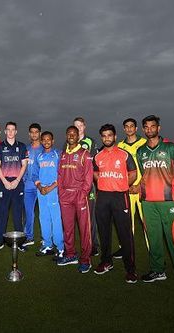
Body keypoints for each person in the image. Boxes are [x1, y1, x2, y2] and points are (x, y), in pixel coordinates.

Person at [137, 115, 174, 294]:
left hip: (168, 201)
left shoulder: (170, 148)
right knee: (153, 239)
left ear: (158, 128)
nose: (149, 130)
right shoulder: (141, 151)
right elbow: (142, 173)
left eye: (152, 126)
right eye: (146, 127)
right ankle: (157, 270)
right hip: (147, 201)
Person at [93, 124, 138, 282]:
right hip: (103, 197)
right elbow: (95, 173)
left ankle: (130, 269)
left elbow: (133, 173)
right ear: (101, 137)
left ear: (115, 136)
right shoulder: (98, 156)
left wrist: (123, 185)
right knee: (104, 232)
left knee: (125, 234)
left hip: (120, 197)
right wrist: (104, 183)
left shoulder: (124, 155)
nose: (107, 138)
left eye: (109, 135)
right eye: (104, 135)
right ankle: (106, 262)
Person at [57, 126, 94, 273]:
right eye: (69, 133)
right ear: (66, 135)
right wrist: (61, 192)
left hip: (79, 196)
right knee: (68, 229)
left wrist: (83, 193)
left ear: (78, 136)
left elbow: (89, 176)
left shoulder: (85, 153)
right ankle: (70, 254)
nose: (71, 136)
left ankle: (86, 260)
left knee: (85, 230)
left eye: (74, 134)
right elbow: (59, 175)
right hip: (65, 196)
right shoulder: (63, 154)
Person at [0, 122, 28, 254]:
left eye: (13, 130)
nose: (11, 132)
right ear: (5, 132)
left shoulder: (22, 146)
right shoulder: (0, 147)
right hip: (4, 183)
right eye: (8, 130)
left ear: (16, 132)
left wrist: (17, 180)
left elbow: (24, 165)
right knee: (2, 213)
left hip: (18, 183)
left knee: (18, 214)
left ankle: (20, 242)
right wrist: (5, 181)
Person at [113, 118, 148, 259]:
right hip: (126, 189)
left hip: (142, 189)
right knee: (126, 223)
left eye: (131, 126)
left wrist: (140, 185)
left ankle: (153, 250)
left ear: (136, 128)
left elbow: (149, 168)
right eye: (126, 127)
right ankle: (125, 249)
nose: (129, 129)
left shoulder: (144, 143)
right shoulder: (120, 146)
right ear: (124, 129)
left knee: (147, 222)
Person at [33, 131, 64, 257]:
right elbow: (35, 174)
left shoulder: (58, 154)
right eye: (44, 139)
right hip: (42, 192)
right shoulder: (39, 156)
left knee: (56, 219)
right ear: (41, 141)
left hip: (54, 191)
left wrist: (51, 187)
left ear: (53, 141)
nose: (46, 141)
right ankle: (47, 245)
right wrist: (40, 187)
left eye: (48, 139)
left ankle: (61, 247)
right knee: (43, 218)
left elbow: (62, 173)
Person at [73, 117, 99, 256]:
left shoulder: (90, 141)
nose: (78, 128)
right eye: (75, 126)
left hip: (87, 185)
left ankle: (94, 245)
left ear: (84, 127)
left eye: (80, 126)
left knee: (90, 216)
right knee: (77, 217)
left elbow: (94, 163)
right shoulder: (70, 142)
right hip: (74, 186)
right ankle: (83, 244)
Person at [22, 123, 44, 247]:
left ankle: (45, 237)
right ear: (29, 134)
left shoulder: (44, 149)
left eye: (36, 132)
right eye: (32, 132)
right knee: (29, 212)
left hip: (41, 185)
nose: (34, 134)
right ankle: (29, 237)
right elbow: (22, 166)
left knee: (44, 213)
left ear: (39, 133)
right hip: (28, 185)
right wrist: (24, 180)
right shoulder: (26, 149)